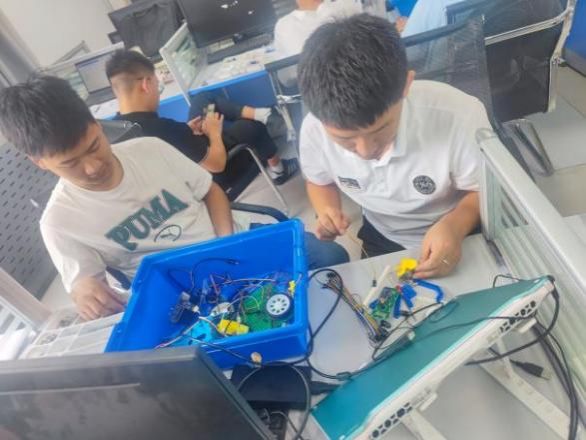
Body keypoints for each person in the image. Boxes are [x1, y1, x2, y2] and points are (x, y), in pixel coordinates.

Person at [0, 76, 349, 320]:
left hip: (235, 242)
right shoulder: (59, 223)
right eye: (70, 163)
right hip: (179, 290)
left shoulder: (149, 149)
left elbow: (211, 190)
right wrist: (85, 293)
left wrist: (226, 244)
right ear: (39, 162)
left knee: (331, 258)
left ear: (96, 123)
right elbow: (84, 285)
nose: (92, 168)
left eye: (94, 146)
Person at [298, 14, 491, 279]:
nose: (366, 151)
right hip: (383, 233)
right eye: (345, 140)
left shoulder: (458, 115)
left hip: (459, 224)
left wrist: (455, 226)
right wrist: (326, 211)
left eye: (380, 131)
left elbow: (484, 190)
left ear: (406, 86)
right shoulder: (313, 129)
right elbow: (319, 181)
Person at [106, 50, 298, 184]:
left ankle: (263, 114)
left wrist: (186, 130)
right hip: (211, 171)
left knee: (203, 99)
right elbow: (217, 165)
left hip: (187, 152)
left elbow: (175, 139)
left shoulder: (113, 129)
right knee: (251, 126)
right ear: (146, 85)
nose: (158, 91)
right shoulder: (165, 129)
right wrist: (214, 133)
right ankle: (279, 171)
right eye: (158, 85)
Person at [273, 0, 362, 87]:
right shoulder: (347, 6)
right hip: (354, 81)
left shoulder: (284, 25)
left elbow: (286, 79)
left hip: (319, 88)